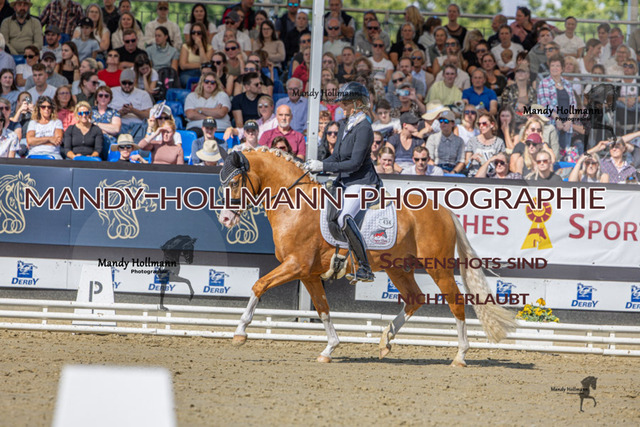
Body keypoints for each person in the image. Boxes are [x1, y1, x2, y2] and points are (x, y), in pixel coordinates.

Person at [304, 81, 379, 283]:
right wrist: (318, 165)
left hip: (361, 181)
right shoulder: (345, 124)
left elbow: (354, 163)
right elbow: (337, 156)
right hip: (344, 180)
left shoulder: (365, 128)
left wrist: (324, 166)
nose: (341, 107)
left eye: (345, 104)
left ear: (357, 104)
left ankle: (365, 267)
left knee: (344, 217)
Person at [537, 55, 577, 154]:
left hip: (566, 126)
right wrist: (557, 119)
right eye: (552, 65)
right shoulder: (544, 83)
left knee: (565, 155)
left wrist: (569, 121)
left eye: (557, 66)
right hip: (551, 124)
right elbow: (544, 105)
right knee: (552, 154)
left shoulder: (567, 84)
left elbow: (573, 104)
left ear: (562, 68)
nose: (555, 68)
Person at [109, 69, 153, 141]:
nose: (127, 85)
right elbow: (105, 114)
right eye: (124, 83)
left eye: (130, 83)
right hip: (119, 125)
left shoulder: (143, 94)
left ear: (135, 81)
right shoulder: (112, 92)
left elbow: (149, 115)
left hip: (138, 126)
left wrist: (133, 110)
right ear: (120, 81)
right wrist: (120, 113)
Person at [465, 112, 505, 177]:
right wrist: (471, 159)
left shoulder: (499, 142)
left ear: (492, 124)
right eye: (479, 124)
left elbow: (503, 162)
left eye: (484, 123)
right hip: (474, 175)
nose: (481, 126)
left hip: (492, 176)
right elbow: (466, 164)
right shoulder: (472, 141)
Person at [179, 22, 214, 87]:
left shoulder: (209, 48)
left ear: (203, 34)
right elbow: (183, 66)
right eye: (193, 32)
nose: (196, 34)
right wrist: (201, 65)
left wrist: (200, 46)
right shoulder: (186, 46)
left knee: (205, 82)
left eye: (199, 33)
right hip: (187, 73)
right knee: (188, 81)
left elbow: (206, 63)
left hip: (203, 73)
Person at [92, 85, 120, 156]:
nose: (103, 98)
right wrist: (106, 129)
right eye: (100, 95)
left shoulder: (114, 112)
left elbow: (116, 129)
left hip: (109, 141)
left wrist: (96, 124)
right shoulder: (90, 111)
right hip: (92, 139)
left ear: (110, 98)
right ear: (96, 97)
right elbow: (87, 127)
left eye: (106, 96)